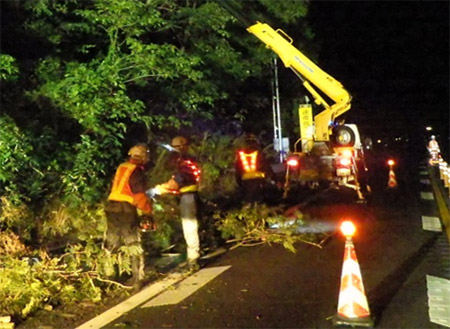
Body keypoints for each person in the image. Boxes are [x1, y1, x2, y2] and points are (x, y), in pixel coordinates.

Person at [104, 143, 153, 288]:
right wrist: (147, 211)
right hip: (126, 209)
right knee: (133, 243)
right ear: (143, 157)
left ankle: (109, 277)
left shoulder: (122, 167)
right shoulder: (136, 171)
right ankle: (138, 279)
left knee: (111, 242)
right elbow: (139, 195)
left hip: (112, 207)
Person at [153, 136, 202, 272]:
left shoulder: (185, 162)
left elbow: (180, 179)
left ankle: (193, 259)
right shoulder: (185, 161)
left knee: (189, 226)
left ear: (181, 147)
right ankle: (194, 254)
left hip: (188, 197)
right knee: (191, 226)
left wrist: (164, 187)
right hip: (189, 196)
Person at [235, 133, 273, 203]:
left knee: (247, 194)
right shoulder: (259, 153)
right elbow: (266, 166)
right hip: (258, 176)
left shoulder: (240, 154)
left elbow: (237, 168)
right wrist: (271, 177)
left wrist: (239, 180)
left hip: (245, 177)